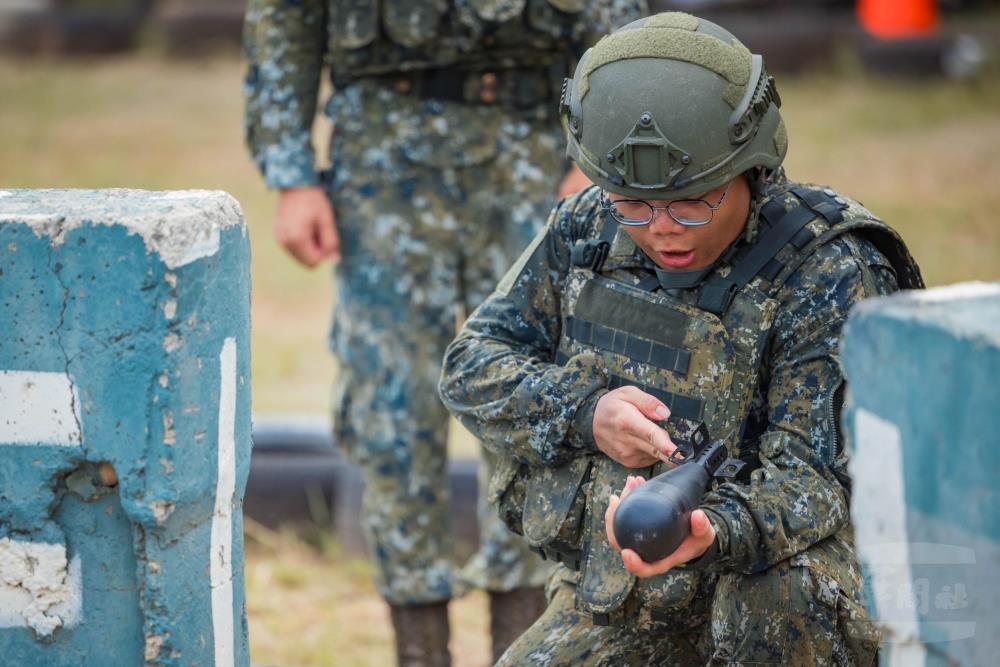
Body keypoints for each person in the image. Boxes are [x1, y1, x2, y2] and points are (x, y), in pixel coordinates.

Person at [439, 11, 924, 666]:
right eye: (633, 203)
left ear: (748, 169)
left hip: (785, 586)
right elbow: (470, 366)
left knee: (775, 597)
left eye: (691, 200)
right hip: (635, 594)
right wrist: (587, 411)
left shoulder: (827, 267)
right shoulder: (588, 226)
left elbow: (811, 479)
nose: (661, 227)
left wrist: (711, 529)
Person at [242, 2, 648, 664]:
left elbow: (616, 17)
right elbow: (284, 16)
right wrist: (290, 173)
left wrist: (601, 152)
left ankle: (522, 650)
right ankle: (419, 652)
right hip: (381, 151)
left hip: (536, 147)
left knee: (537, 397)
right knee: (391, 409)